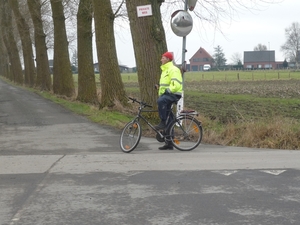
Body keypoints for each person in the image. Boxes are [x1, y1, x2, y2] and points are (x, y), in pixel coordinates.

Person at [155, 52, 183, 150]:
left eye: (162, 58)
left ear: (167, 59)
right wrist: (159, 87)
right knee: (170, 119)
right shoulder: (165, 70)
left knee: (160, 101)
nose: (161, 59)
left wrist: (168, 90)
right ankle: (169, 143)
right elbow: (165, 84)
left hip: (174, 94)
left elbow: (176, 84)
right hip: (168, 94)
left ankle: (162, 122)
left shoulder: (173, 69)